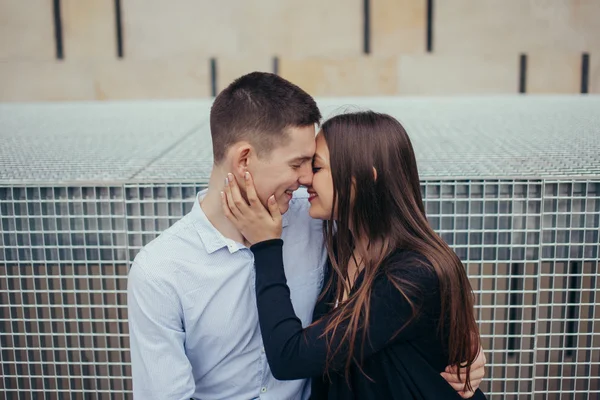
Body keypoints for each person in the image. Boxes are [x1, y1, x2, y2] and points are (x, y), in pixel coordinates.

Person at [127, 72, 486, 400]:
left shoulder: (320, 221)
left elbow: (411, 269)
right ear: (244, 160)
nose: (305, 179)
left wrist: (462, 345)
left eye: (314, 165)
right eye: (298, 163)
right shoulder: (160, 271)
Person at [220, 110, 487, 399]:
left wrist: (267, 247)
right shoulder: (340, 249)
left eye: (318, 168)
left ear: (363, 178)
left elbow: (290, 358)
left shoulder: (413, 275)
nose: (306, 178)